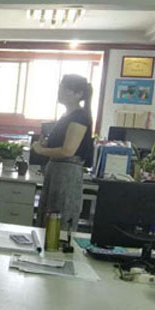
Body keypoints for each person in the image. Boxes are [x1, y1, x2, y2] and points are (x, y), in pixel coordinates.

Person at [32, 74, 94, 232]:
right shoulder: (66, 115)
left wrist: (41, 150)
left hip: (67, 172)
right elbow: (61, 142)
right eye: (60, 87)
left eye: (65, 89)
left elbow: (68, 150)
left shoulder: (80, 116)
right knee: (46, 218)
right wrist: (47, 144)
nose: (60, 91)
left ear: (79, 94)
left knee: (60, 220)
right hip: (55, 169)